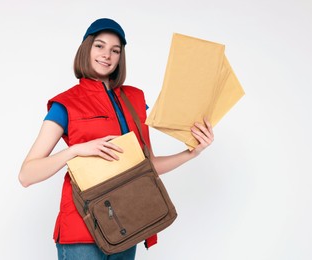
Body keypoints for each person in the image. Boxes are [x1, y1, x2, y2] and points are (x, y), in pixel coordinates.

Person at [18, 18, 214, 260]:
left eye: (115, 50)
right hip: (82, 233)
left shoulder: (135, 100)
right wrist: (76, 150)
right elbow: (27, 175)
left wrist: (192, 152)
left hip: (126, 225)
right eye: (99, 46)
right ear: (86, 49)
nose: (107, 55)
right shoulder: (66, 104)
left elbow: (148, 165)